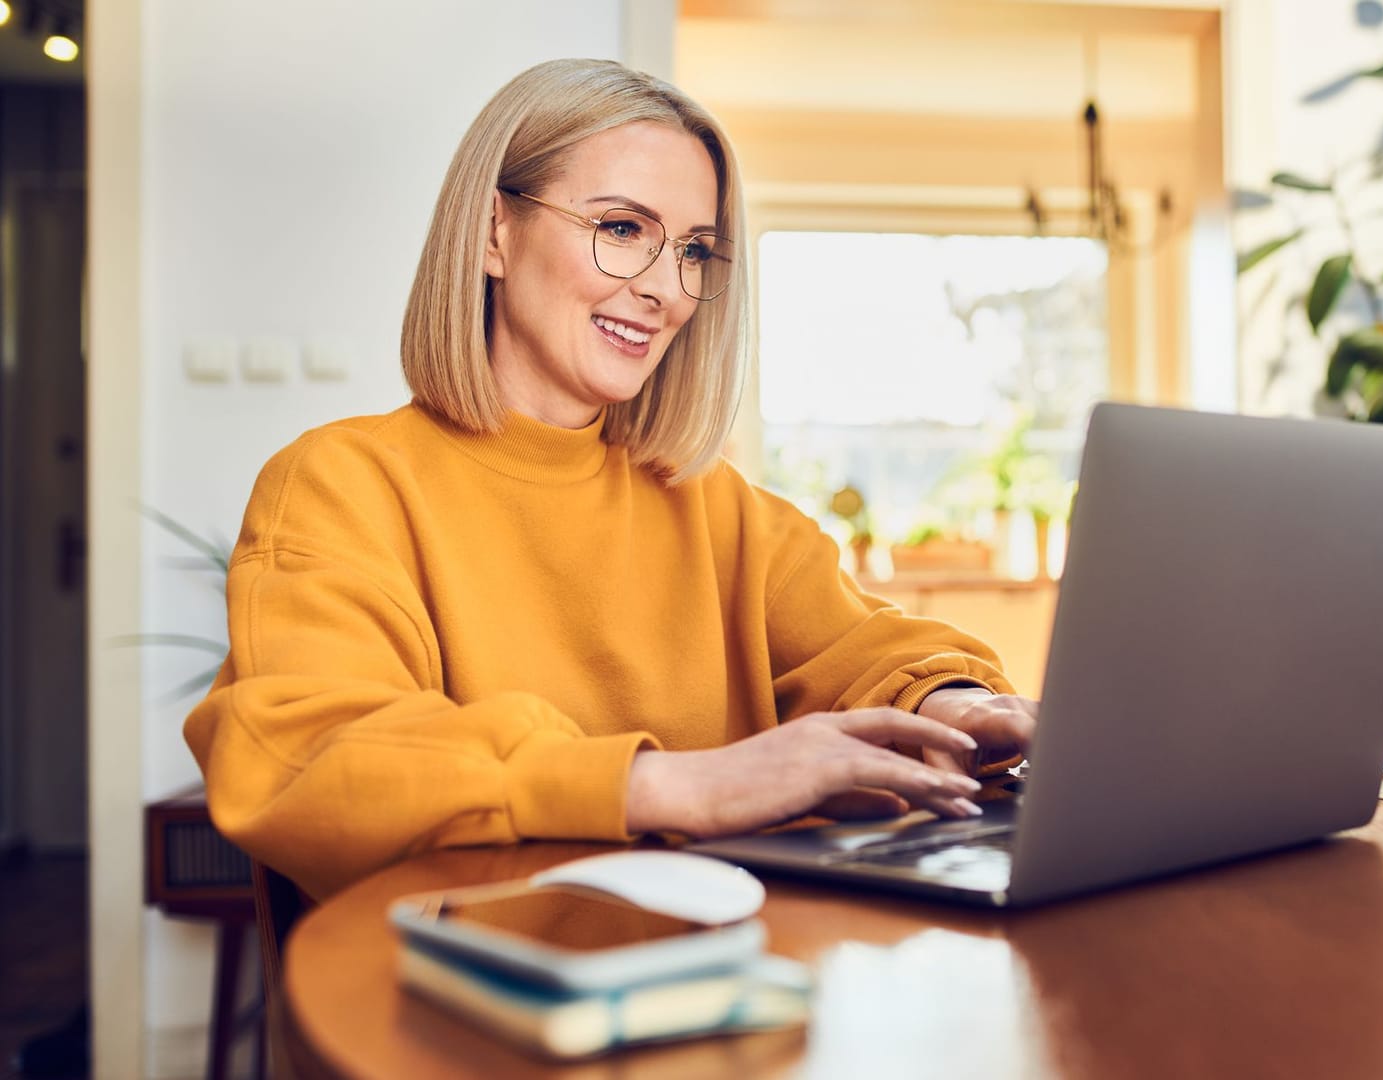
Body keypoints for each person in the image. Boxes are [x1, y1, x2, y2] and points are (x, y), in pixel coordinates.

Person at [184, 59, 1037, 900]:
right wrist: (677, 787)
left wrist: (953, 704)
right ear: (493, 232)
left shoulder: (710, 502)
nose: (666, 290)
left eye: (695, 250)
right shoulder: (341, 485)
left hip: (723, 990)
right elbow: (313, 756)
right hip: (458, 1003)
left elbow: (871, 648)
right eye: (623, 229)